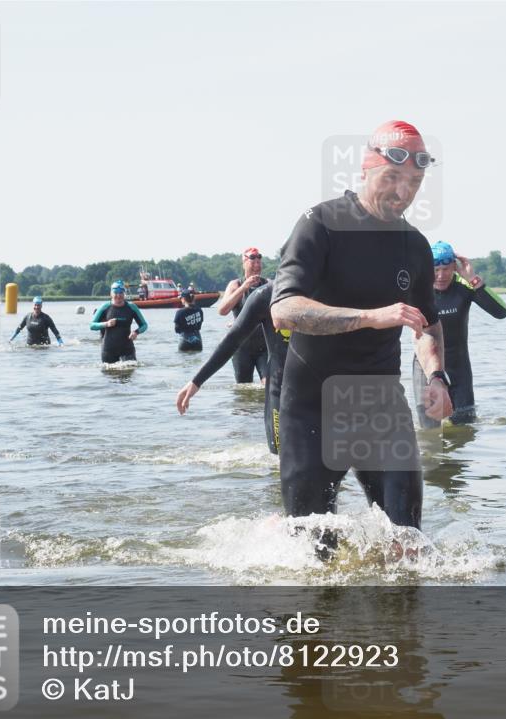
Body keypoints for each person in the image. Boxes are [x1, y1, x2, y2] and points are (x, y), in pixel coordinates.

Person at [270, 119, 453, 540]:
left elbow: (427, 325)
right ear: (365, 170)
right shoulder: (320, 223)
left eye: (414, 181)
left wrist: (437, 377)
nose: (403, 192)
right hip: (312, 410)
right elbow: (285, 310)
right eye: (392, 177)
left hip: (382, 407)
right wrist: (371, 316)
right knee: (316, 554)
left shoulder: (416, 245)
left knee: (409, 542)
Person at [176, 281, 288, 454]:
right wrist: (196, 381)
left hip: (326, 389)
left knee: (335, 461)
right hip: (280, 391)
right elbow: (232, 340)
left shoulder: (332, 293)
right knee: (281, 463)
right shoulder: (266, 295)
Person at [412, 241, 506, 427]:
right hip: (425, 368)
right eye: (435, 269)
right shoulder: (417, 289)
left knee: (464, 426)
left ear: (455, 267)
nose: (441, 276)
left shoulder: (464, 287)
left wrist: (472, 278)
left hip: (459, 368)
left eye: (446, 269)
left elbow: (501, 312)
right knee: (429, 430)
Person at [218, 247, 269, 383]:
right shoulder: (235, 284)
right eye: (253, 263)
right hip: (241, 347)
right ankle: (247, 406)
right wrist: (244, 288)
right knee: (244, 389)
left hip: (264, 346)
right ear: (244, 264)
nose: (257, 266)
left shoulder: (268, 284)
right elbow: (222, 310)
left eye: (259, 263)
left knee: (269, 383)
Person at [90, 280, 148, 363]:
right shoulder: (105, 307)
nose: (118, 295)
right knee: (109, 375)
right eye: (115, 292)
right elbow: (92, 325)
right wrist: (106, 324)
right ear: (111, 294)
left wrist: (136, 332)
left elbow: (144, 325)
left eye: (121, 292)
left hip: (127, 349)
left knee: (129, 373)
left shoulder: (132, 307)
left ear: (124, 293)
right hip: (109, 349)